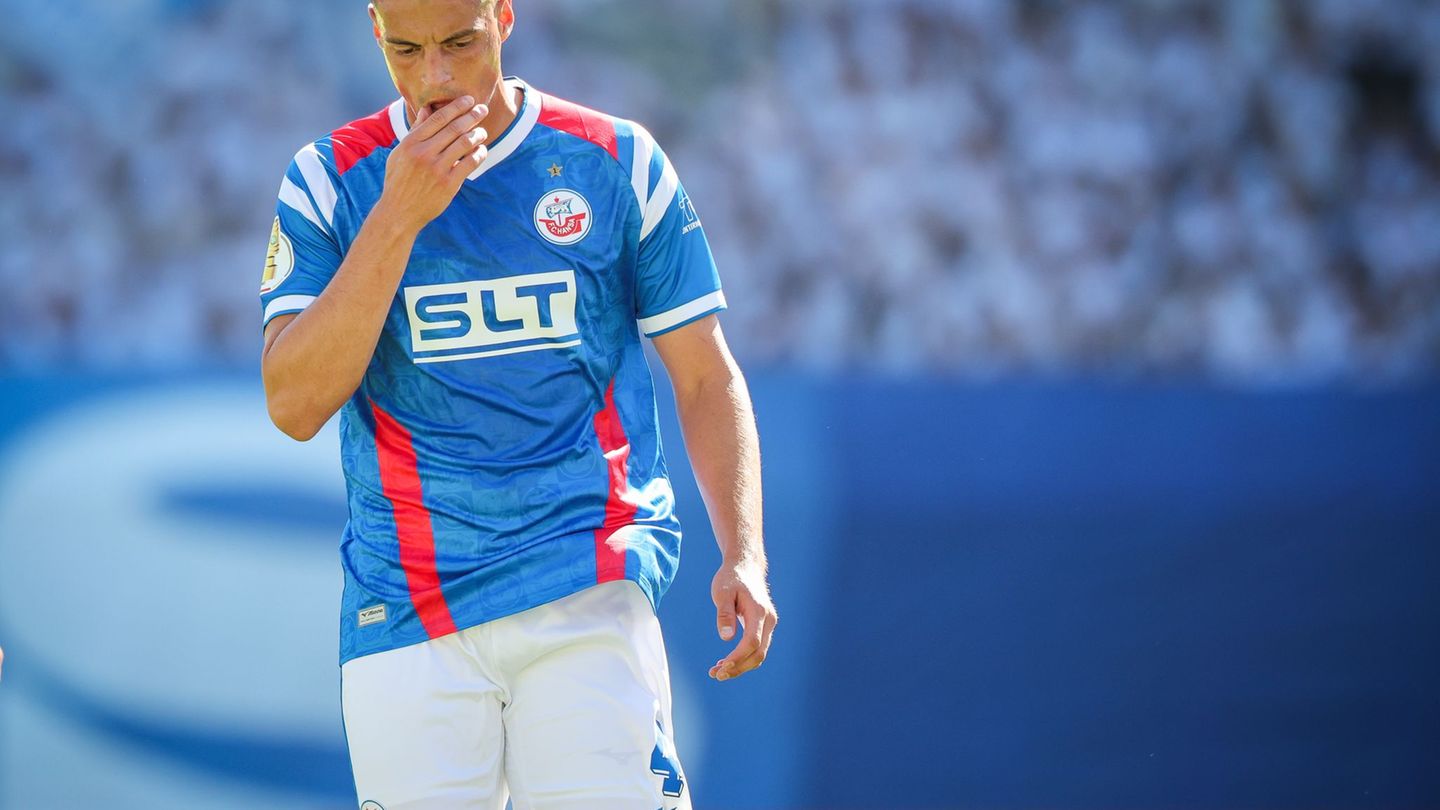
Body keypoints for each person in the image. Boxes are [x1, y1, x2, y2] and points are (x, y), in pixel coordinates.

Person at [257, 0, 776, 807]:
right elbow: (292, 403)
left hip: (585, 580)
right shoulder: (331, 179)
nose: (435, 76)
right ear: (375, 32)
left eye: (460, 44)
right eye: (406, 50)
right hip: (405, 607)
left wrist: (744, 550)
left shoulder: (616, 159)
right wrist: (399, 215)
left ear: (504, 15)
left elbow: (706, 374)